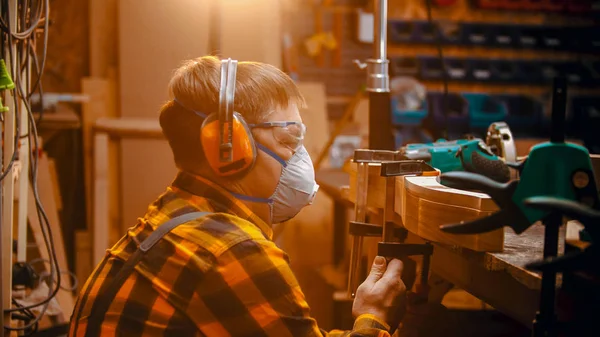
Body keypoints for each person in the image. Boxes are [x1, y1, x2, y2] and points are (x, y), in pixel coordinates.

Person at [68, 56, 407, 336]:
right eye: (288, 142)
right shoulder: (232, 251)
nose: (300, 160)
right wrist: (373, 316)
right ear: (229, 148)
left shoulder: (170, 219)